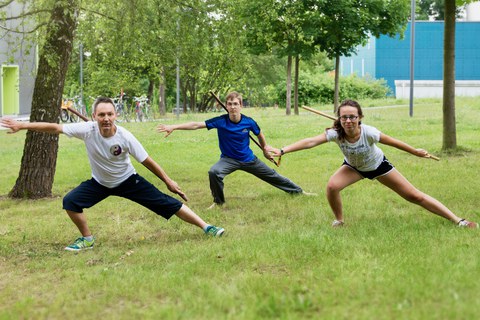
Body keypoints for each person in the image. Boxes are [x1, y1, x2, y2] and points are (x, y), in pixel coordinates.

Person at [1, 97, 225, 252]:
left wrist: (168, 181)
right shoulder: (86, 130)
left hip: (128, 181)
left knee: (168, 204)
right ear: (94, 116)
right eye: (101, 115)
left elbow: (147, 161)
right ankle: (88, 239)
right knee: (70, 201)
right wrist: (23, 126)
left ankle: (207, 227)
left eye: (109, 114)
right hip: (99, 183)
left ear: (115, 115)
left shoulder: (125, 137)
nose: (106, 118)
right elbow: (53, 127)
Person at [267, 99, 478, 228]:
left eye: (352, 117)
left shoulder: (369, 133)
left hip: (378, 166)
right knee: (332, 187)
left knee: (415, 196)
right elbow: (311, 141)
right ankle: (339, 220)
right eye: (344, 118)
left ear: (359, 118)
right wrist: (283, 150)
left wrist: (415, 152)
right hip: (354, 168)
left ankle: (458, 220)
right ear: (339, 119)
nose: (348, 121)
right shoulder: (336, 134)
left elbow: (394, 142)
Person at [157, 91, 311, 209]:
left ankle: (299, 192)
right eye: (229, 104)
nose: (232, 106)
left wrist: (264, 149)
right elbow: (196, 125)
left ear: (241, 105)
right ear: (226, 105)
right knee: (214, 172)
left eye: (235, 104)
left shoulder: (249, 122)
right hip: (228, 159)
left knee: (273, 176)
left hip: (248, 159)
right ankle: (218, 202)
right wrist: (174, 127)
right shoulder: (220, 121)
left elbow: (259, 134)